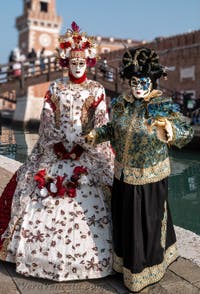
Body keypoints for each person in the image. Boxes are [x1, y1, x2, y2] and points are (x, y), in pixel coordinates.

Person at [0, 21, 114, 281]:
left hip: (86, 155)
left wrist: (86, 142)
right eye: (73, 61)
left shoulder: (96, 89)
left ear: (88, 61)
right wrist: (58, 142)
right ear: (66, 62)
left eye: (81, 61)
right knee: (32, 183)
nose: (77, 65)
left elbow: (101, 122)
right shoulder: (55, 88)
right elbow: (47, 120)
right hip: (56, 152)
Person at [85, 47, 194, 292]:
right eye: (133, 81)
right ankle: (125, 266)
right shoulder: (122, 104)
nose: (137, 87)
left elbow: (185, 132)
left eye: (142, 81)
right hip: (123, 175)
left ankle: (148, 269)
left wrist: (169, 130)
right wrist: (96, 134)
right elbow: (113, 129)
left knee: (148, 224)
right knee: (126, 223)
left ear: (152, 81)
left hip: (149, 178)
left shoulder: (161, 105)